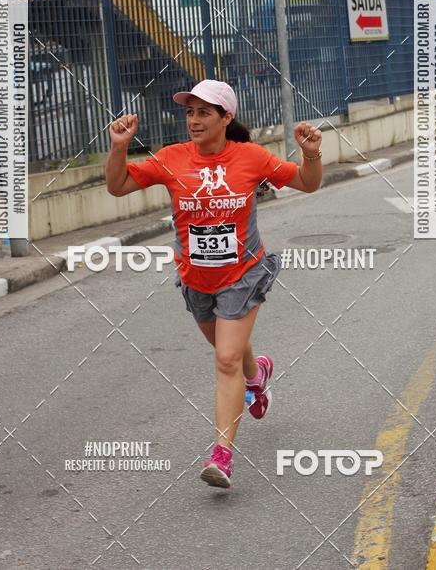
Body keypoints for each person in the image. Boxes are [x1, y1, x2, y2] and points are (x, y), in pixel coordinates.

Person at [105, 79, 322, 489]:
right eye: (190, 112)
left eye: (204, 112)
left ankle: (222, 456)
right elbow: (117, 187)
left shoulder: (250, 157)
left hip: (243, 274)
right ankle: (257, 374)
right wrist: (119, 147)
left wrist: (311, 155)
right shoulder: (171, 158)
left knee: (225, 358)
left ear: (226, 118)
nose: (194, 120)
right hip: (196, 279)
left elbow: (307, 182)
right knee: (229, 351)